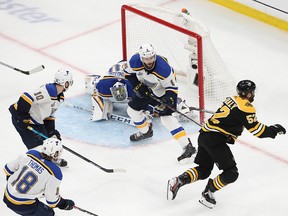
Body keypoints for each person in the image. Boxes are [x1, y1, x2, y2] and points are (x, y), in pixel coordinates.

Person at [166, 79, 286, 208]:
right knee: (231, 173)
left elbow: (232, 118)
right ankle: (208, 191)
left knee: (204, 170)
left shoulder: (232, 99)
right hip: (215, 139)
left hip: (204, 135)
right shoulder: (246, 107)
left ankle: (178, 180)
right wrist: (274, 130)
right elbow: (257, 131)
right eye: (252, 92)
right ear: (249, 94)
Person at [123, 43, 197, 162]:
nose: (149, 61)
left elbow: (172, 90)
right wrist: (137, 87)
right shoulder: (135, 61)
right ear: (142, 58)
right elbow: (128, 74)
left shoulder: (164, 69)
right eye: (146, 59)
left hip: (162, 90)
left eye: (151, 57)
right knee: (132, 111)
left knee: (166, 119)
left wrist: (167, 100)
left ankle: (188, 147)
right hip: (145, 86)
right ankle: (146, 132)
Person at [85, 61, 197, 123]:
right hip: (143, 85)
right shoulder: (105, 85)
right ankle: (178, 107)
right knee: (156, 103)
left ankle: (180, 106)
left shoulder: (112, 76)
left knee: (159, 98)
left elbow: (125, 66)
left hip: (147, 82)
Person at [9, 69, 73, 167]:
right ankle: (38, 162)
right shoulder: (49, 90)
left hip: (36, 120)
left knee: (49, 142)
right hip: (21, 118)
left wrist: (51, 131)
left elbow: (50, 115)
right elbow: (26, 97)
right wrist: (22, 117)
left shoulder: (60, 97)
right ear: (65, 82)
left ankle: (50, 159)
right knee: (37, 146)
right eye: (69, 82)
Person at [3, 137, 75, 216]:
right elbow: (52, 201)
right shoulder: (55, 173)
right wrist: (64, 204)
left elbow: (8, 168)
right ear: (57, 153)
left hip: (6, 195)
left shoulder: (30, 153)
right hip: (22, 206)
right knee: (48, 213)